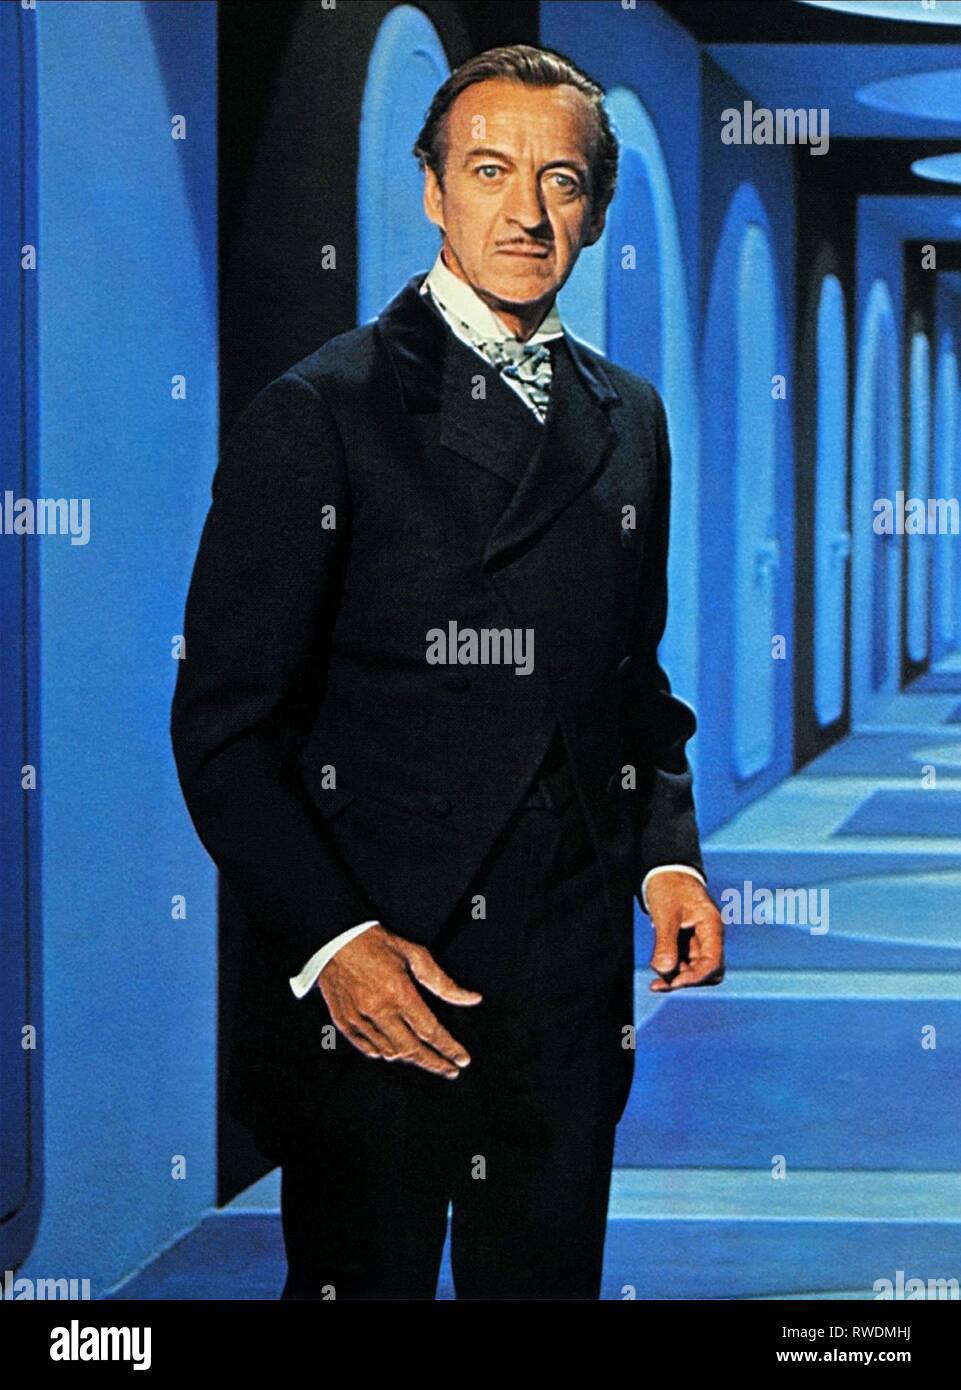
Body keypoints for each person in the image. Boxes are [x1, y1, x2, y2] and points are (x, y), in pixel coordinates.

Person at [170, 42, 724, 1302]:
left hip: (566, 981)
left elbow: (631, 684)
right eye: (487, 171)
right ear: (431, 190)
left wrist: (666, 856)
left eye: (561, 180)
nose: (526, 212)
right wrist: (335, 943)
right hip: (384, 977)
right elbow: (225, 730)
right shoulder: (323, 411)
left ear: (597, 208)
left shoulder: (629, 417)